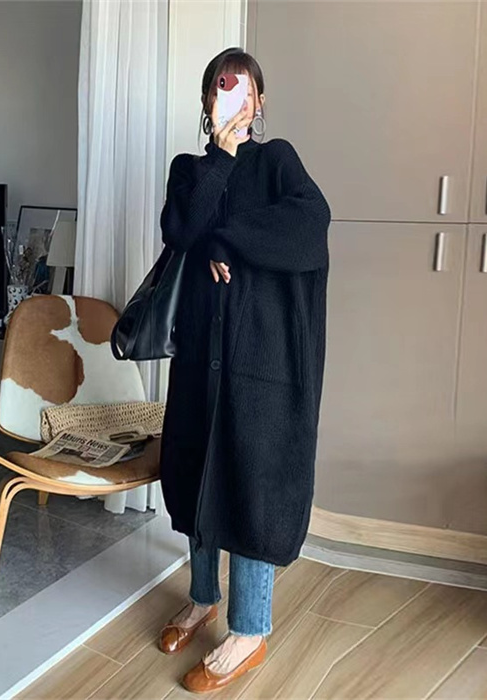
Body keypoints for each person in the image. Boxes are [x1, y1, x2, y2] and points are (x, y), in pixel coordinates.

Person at [157, 47, 331, 693]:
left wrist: (225, 239)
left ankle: (249, 631)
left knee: (253, 483)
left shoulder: (278, 159)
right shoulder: (189, 169)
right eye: (223, 88)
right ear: (208, 102)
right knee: (197, 472)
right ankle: (202, 598)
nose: (236, 99)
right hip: (200, 352)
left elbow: (309, 226)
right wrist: (221, 163)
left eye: (247, 90)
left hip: (261, 357)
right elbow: (182, 232)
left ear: (260, 103)